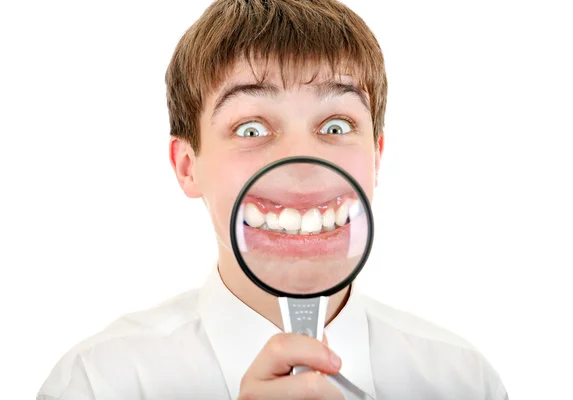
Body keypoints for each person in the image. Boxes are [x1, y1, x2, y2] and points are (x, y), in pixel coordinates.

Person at [37, 0, 508, 399]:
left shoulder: (463, 381)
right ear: (187, 165)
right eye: (251, 128)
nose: (302, 162)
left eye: (336, 127)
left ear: (377, 157)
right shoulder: (98, 383)